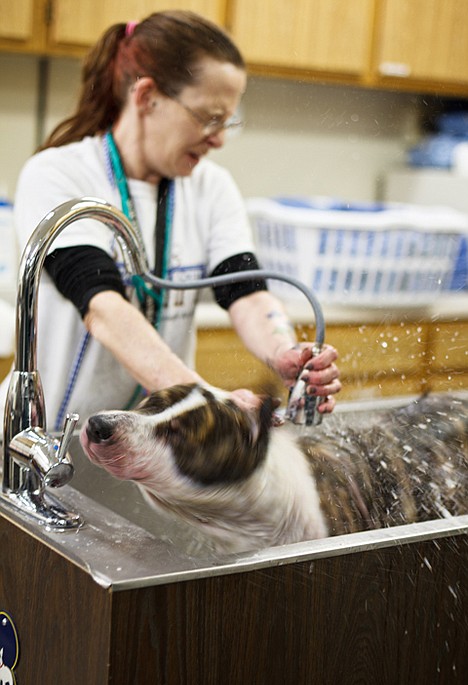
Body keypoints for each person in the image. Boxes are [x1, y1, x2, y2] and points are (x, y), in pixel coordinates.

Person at [1, 10, 340, 431]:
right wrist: (204, 400)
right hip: (54, 441)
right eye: (209, 118)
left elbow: (245, 291)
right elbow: (103, 307)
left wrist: (284, 351)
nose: (218, 139)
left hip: (156, 444)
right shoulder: (58, 174)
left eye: (227, 122)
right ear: (146, 97)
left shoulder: (211, 187)